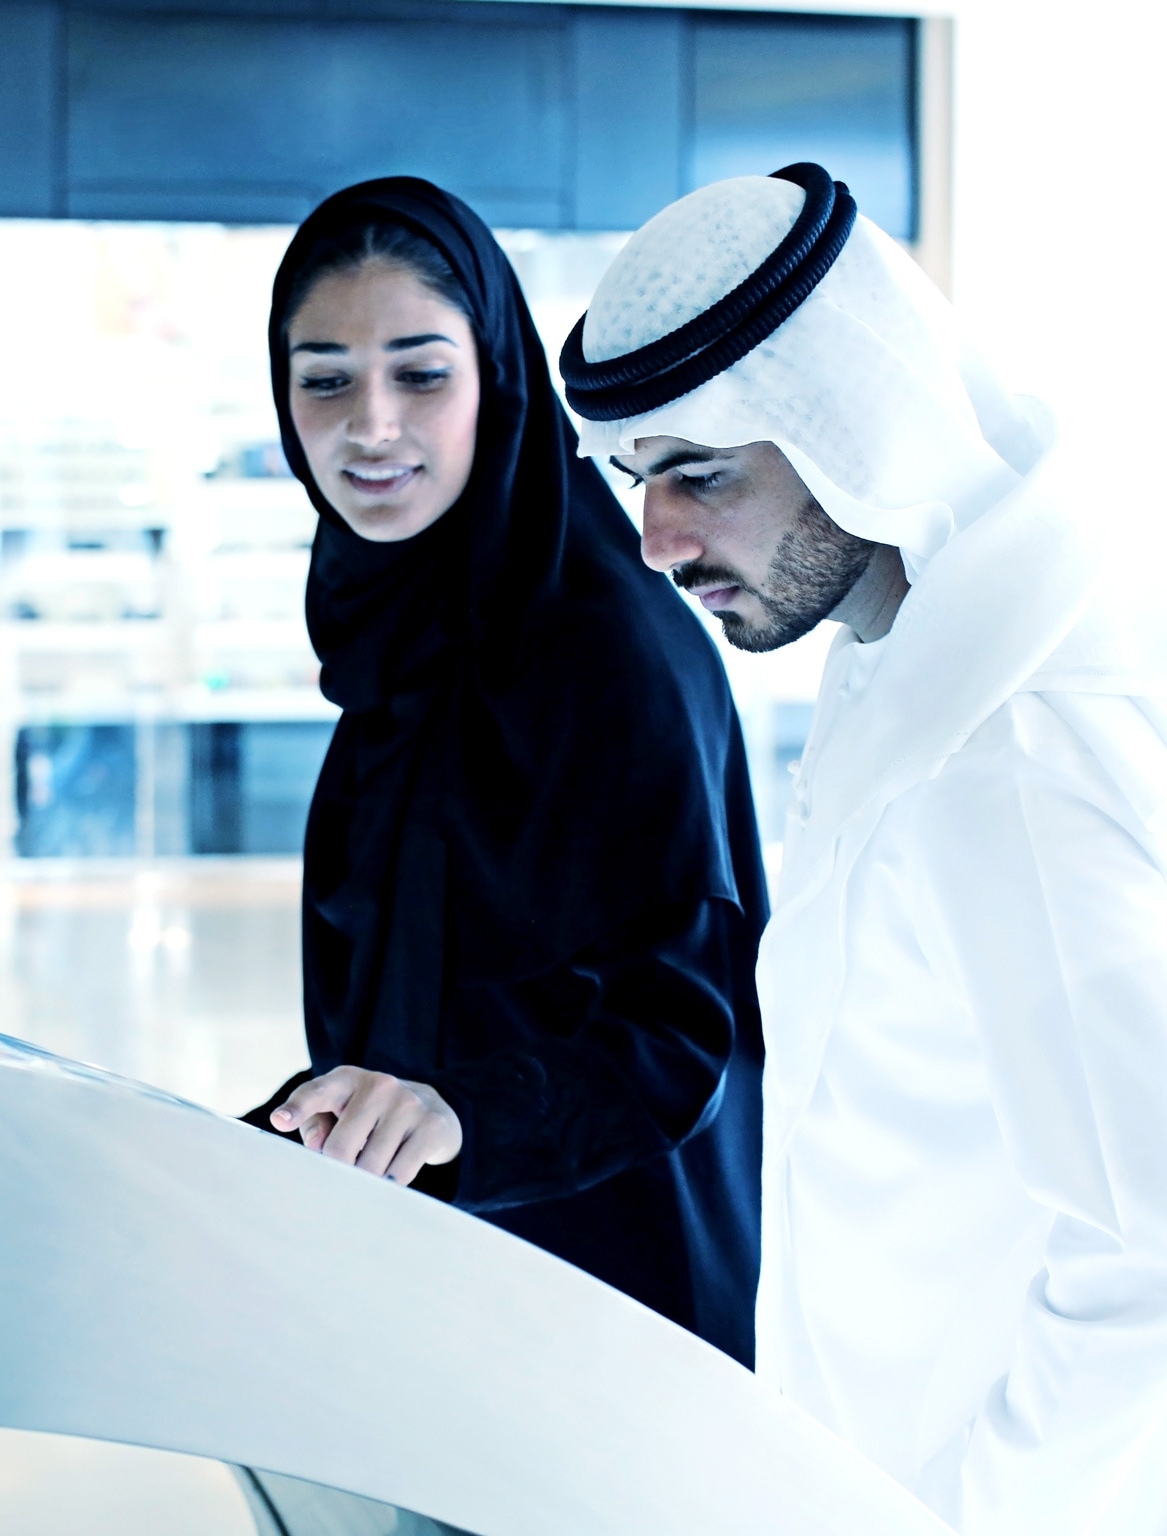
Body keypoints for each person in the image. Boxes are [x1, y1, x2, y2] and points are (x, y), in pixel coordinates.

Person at [561, 161, 1167, 1534]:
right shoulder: (914, 636)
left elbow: (1153, 1256)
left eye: (699, 475)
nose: (653, 542)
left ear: (856, 432)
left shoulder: (1013, 748)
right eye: (634, 480)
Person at [244, 176, 769, 1366]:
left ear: (496, 378)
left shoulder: (606, 646)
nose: (369, 426)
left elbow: (687, 1031)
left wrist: (465, 1113)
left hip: (616, 1308)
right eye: (324, 378)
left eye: (421, 374)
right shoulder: (395, 635)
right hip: (445, 1279)